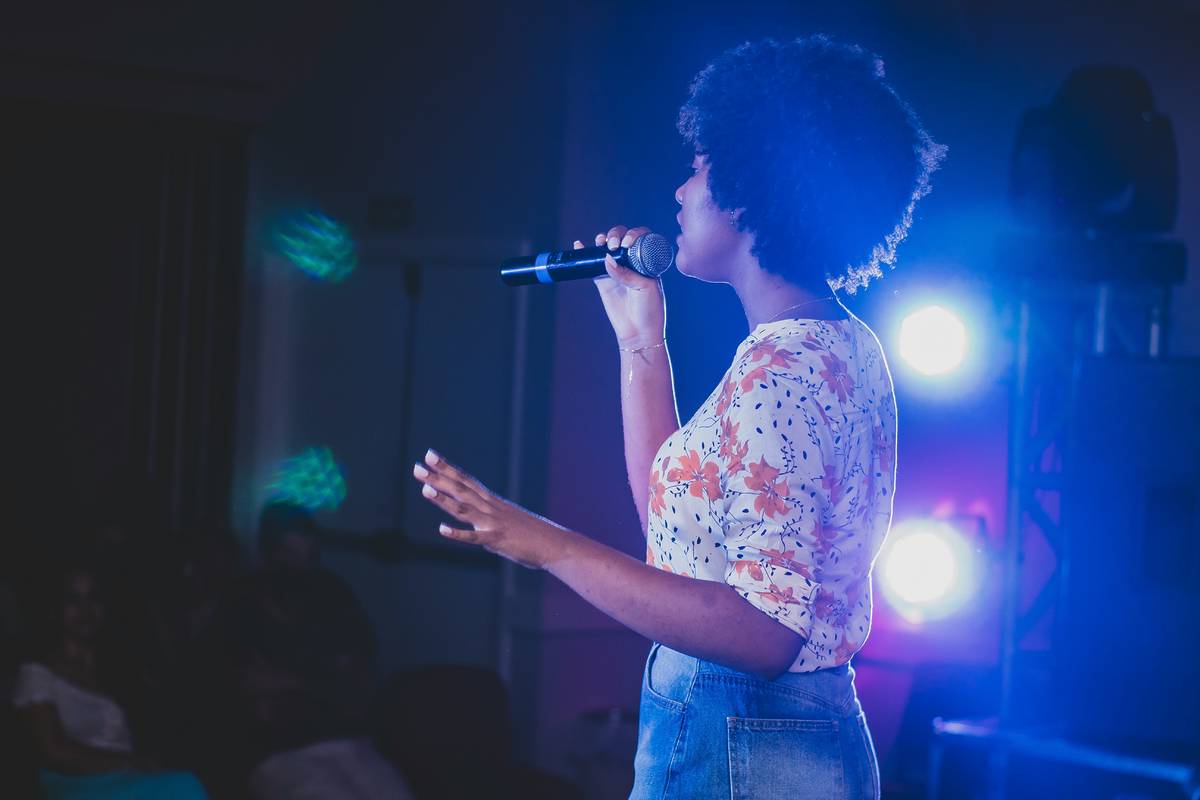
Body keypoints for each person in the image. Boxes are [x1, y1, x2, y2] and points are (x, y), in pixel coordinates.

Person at [411, 36, 944, 799]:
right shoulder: (836, 346)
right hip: (770, 738)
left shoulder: (781, 370)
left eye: (698, 166)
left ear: (752, 185)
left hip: (744, 743)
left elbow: (762, 635)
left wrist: (547, 547)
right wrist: (641, 343)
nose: (681, 191)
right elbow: (676, 542)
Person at [11, 559, 207, 799]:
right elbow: (53, 752)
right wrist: (128, 762)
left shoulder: (119, 670)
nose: (85, 610)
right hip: (76, 783)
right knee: (184, 786)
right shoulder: (37, 674)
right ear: (56, 608)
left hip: (126, 777)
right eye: (73, 599)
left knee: (185, 779)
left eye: (93, 598)